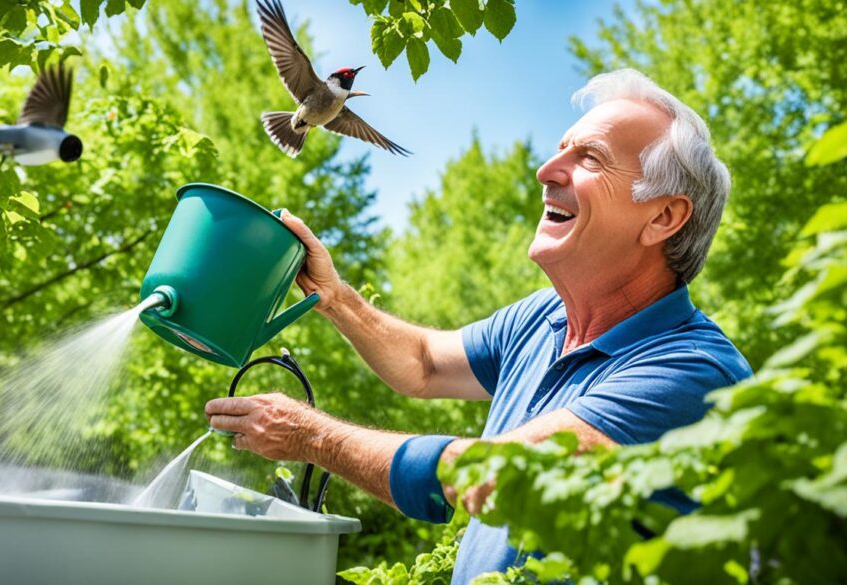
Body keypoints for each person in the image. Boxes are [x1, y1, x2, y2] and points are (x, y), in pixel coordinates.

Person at [205, 68, 752, 584]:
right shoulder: (540, 320)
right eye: (561, 149)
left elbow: (492, 475)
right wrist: (334, 299)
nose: (545, 171)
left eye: (590, 158)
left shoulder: (693, 372)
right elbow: (421, 363)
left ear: (663, 217)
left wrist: (308, 434)